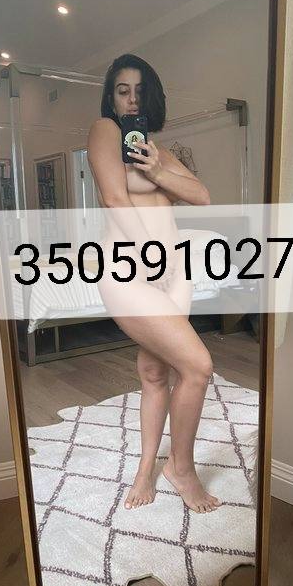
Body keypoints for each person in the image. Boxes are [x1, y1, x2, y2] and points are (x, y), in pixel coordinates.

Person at [87, 53, 221, 514]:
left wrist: (158, 170)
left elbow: (202, 196)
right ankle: (181, 468)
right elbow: (113, 197)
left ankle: (147, 468)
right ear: (111, 97)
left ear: (152, 99)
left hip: (174, 273)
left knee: (155, 372)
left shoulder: (157, 151)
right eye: (122, 90)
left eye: (140, 92)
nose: (131, 100)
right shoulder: (105, 131)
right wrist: (151, 257)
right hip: (130, 269)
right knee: (198, 366)